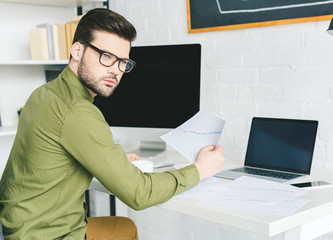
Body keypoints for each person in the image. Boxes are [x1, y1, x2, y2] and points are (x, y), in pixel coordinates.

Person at [0, 8, 225, 240]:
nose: (115, 71)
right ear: (77, 50)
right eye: (106, 56)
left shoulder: (44, 93)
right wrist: (199, 170)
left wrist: (110, 159)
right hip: (49, 234)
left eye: (123, 62)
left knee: (123, 228)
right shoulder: (79, 112)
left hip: (16, 225)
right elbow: (139, 194)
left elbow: (55, 153)